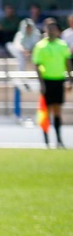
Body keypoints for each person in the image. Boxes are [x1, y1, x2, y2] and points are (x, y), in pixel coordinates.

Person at [32, 17, 69, 148]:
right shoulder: (40, 46)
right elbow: (37, 65)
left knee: (57, 111)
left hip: (59, 80)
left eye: (54, 28)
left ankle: (58, 140)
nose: (52, 31)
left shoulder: (62, 45)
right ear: (45, 30)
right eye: (49, 28)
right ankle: (46, 140)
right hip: (47, 81)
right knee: (46, 111)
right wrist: (41, 83)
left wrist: (70, 78)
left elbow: (67, 62)